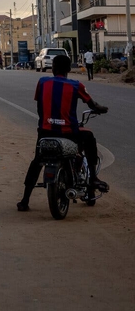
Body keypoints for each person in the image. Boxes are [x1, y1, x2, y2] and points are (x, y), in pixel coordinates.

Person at [17, 56, 109, 211]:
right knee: (89, 138)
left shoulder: (42, 82)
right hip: (69, 132)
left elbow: (40, 106)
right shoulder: (76, 85)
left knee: (37, 161)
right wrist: (102, 109)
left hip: (45, 132)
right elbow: (93, 104)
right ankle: (93, 177)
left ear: (53, 68)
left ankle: (25, 200)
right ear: (68, 69)